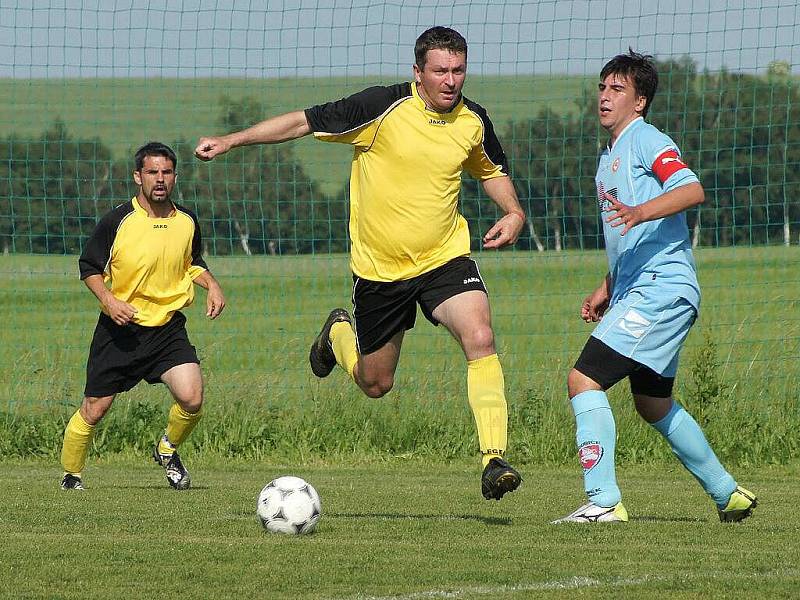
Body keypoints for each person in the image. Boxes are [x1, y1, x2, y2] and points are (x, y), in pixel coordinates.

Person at [195, 26, 524, 500]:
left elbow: (491, 169)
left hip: (444, 257)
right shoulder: (380, 107)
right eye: (440, 71)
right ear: (418, 73)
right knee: (375, 383)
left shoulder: (474, 120)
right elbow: (304, 121)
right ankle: (337, 333)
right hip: (381, 271)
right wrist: (233, 139)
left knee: (480, 335)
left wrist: (512, 211)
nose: (451, 81)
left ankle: (493, 458)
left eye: (458, 70)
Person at [552, 50, 757, 523]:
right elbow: (632, 236)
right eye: (602, 87)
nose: (604, 96)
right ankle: (729, 495)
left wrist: (641, 211)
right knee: (652, 402)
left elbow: (692, 190)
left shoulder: (646, 140)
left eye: (617, 89)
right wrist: (608, 285)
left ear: (640, 101)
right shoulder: (609, 158)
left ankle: (603, 502)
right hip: (643, 288)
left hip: (662, 289)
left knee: (583, 379)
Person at [60, 141, 226, 491]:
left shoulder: (187, 221)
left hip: (167, 329)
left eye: (166, 172)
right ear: (138, 177)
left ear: (175, 177)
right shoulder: (118, 221)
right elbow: (88, 266)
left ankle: (167, 450)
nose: (160, 179)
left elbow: (192, 262)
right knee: (94, 410)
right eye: (152, 172)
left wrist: (212, 285)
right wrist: (108, 300)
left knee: (193, 397)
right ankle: (71, 475)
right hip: (120, 331)